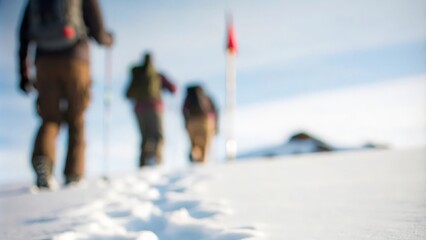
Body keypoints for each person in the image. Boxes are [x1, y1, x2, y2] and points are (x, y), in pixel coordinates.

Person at [18, 0, 114, 188]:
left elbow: (23, 35)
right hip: (76, 60)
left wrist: (23, 72)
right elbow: (98, 32)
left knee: (49, 117)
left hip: (44, 62)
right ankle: (74, 175)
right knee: (77, 117)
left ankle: (43, 161)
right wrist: (109, 39)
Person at [125, 52, 177, 167]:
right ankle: (156, 160)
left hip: (139, 109)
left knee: (145, 137)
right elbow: (173, 88)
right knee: (158, 135)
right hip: (155, 107)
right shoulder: (157, 75)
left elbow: (127, 94)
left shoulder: (137, 75)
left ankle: (143, 163)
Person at [182, 84, 218, 163]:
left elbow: (184, 110)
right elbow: (214, 111)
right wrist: (215, 126)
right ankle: (202, 162)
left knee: (194, 143)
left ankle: (194, 153)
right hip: (204, 121)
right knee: (205, 143)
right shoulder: (206, 97)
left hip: (191, 122)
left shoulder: (188, 98)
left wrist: (186, 123)